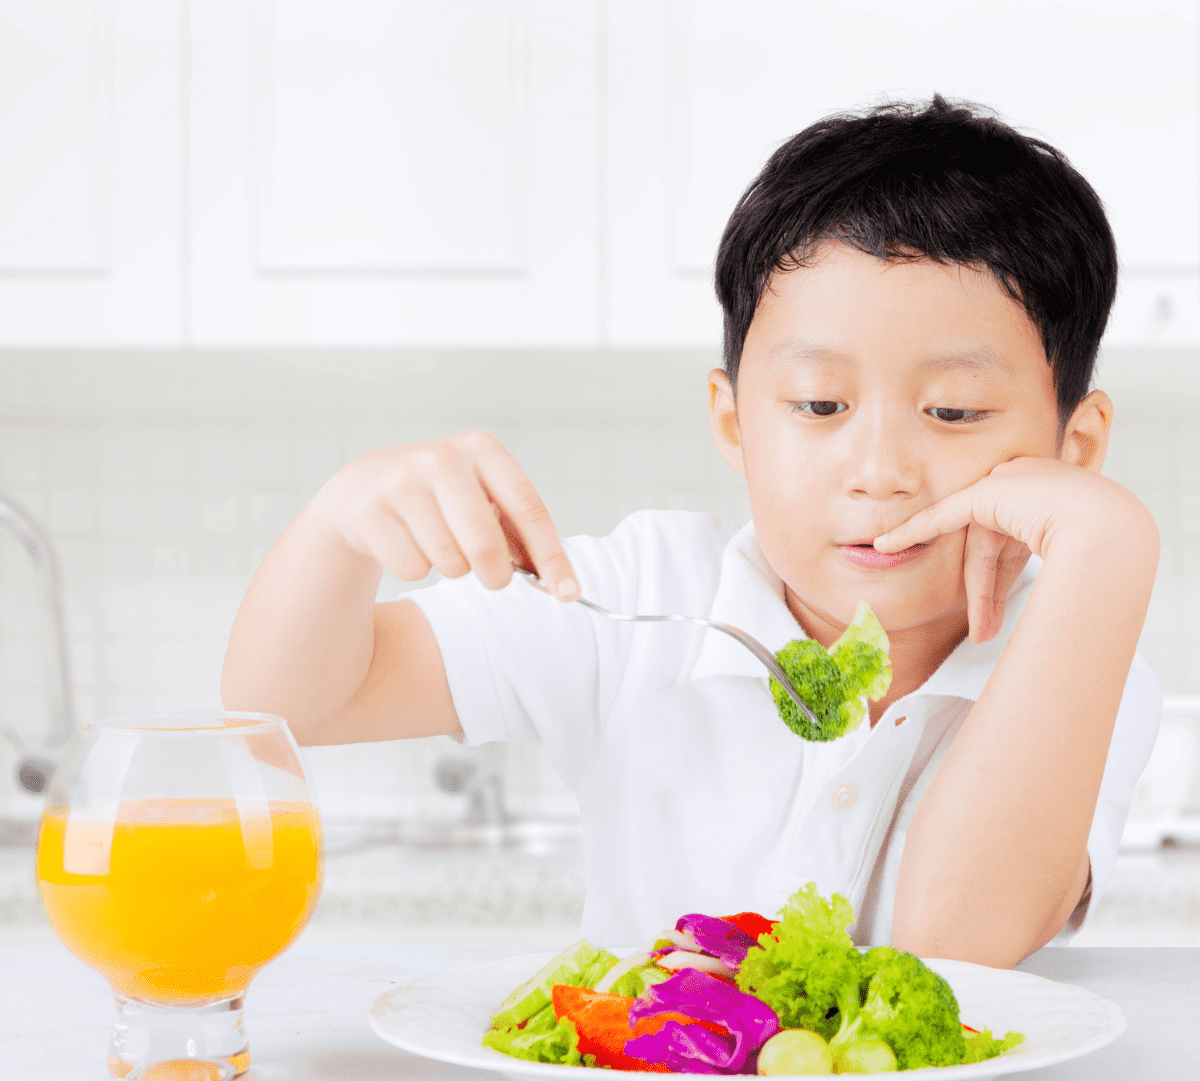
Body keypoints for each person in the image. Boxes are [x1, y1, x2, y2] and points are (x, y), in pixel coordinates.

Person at [222, 95, 1161, 968]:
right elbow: (292, 708)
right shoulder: (634, 600)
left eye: (953, 411)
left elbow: (961, 943)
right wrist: (340, 526)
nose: (880, 470)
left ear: (1072, 450)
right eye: (820, 403)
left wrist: (1107, 551)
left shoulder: (1082, 663)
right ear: (733, 424)